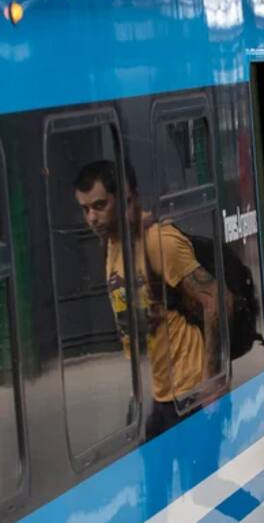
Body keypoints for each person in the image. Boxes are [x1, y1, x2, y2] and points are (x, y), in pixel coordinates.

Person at [73, 161, 222, 439]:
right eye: (85, 209)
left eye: (99, 205)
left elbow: (214, 299)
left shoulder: (158, 241)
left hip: (190, 392)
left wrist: (210, 380)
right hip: (159, 395)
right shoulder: (111, 245)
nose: (92, 218)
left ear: (123, 199)